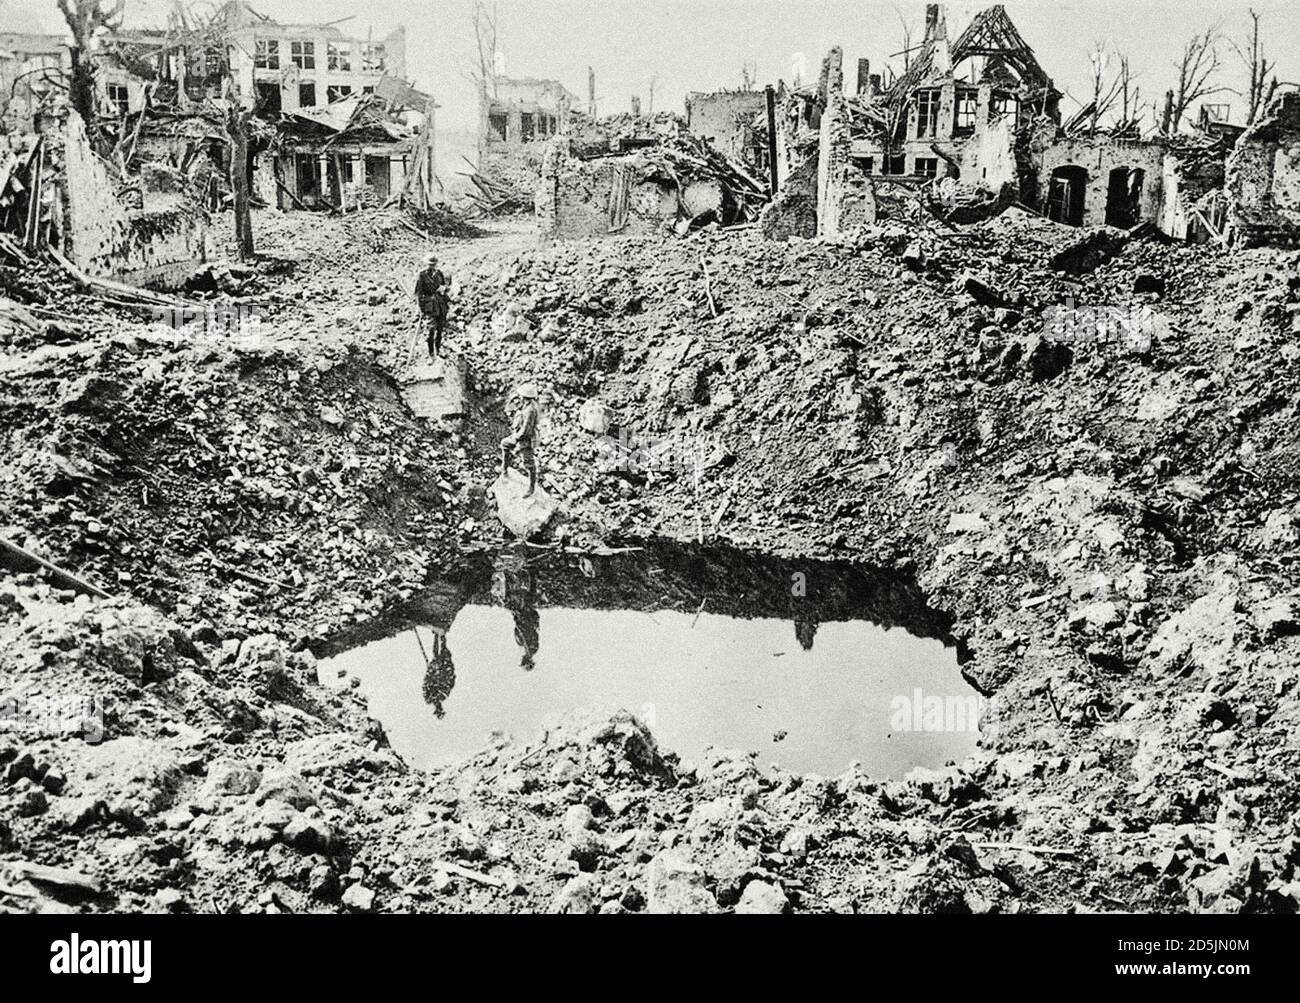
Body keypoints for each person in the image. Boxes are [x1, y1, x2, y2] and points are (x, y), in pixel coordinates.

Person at [500, 383, 541, 497]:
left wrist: (515, 437)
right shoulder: (526, 405)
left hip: (526, 440)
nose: (519, 397)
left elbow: (526, 431)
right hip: (519, 436)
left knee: (529, 464)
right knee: (504, 444)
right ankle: (504, 469)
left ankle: (531, 487)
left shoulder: (530, 410)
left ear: (525, 397)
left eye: (521, 395)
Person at [414, 253, 450, 358]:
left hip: (441, 305)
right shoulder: (422, 275)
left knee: (440, 330)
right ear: (426, 264)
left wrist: (444, 290)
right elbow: (418, 293)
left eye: (433, 264)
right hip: (429, 307)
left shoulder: (439, 274)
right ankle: (431, 354)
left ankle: (438, 351)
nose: (431, 266)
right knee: (431, 331)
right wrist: (422, 308)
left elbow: (445, 287)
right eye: (430, 264)